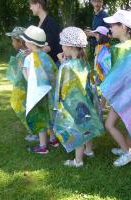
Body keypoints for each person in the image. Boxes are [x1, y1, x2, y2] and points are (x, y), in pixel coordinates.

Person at [100, 10, 131, 167]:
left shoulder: (123, 49)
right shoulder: (129, 46)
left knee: (109, 124)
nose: (110, 27)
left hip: (122, 93)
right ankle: (127, 147)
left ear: (123, 27)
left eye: (113, 24)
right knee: (129, 123)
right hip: (129, 92)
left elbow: (116, 77)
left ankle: (128, 152)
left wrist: (104, 95)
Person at [54, 27, 104, 167]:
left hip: (75, 104)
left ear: (69, 46)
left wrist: (62, 64)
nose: (61, 47)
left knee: (78, 130)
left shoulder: (67, 66)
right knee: (88, 126)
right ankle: (89, 151)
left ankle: (78, 161)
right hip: (87, 102)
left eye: (62, 44)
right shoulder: (84, 62)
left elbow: (62, 86)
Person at [21, 25, 59, 154]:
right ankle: (53, 139)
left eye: (25, 40)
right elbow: (53, 74)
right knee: (49, 116)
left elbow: (29, 79)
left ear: (30, 44)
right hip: (49, 93)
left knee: (41, 119)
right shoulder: (46, 57)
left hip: (38, 94)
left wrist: (22, 69)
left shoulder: (28, 59)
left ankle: (43, 146)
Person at [91, 26, 111, 111]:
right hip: (99, 71)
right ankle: (101, 106)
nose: (95, 36)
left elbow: (104, 61)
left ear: (101, 35)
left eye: (96, 34)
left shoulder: (103, 47)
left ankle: (102, 106)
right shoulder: (103, 46)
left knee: (102, 89)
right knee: (102, 89)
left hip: (101, 72)